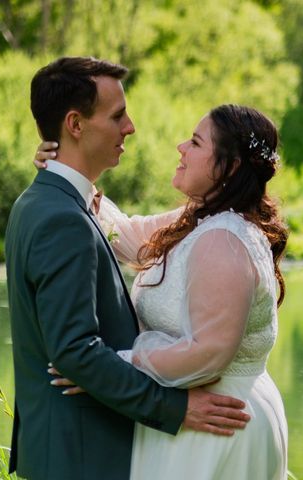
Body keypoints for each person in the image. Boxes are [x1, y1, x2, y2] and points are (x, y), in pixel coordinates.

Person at [5, 57, 250, 480]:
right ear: (75, 125)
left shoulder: (42, 201)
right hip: (79, 455)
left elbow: (126, 235)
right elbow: (75, 351)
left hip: (74, 449)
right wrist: (177, 408)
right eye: (117, 116)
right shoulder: (62, 218)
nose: (131, 127)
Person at [36, 103, 289, 479]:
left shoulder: (223, 240)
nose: (181, 147)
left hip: (216, 422)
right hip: (200, 415)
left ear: (230, 166)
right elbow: (126, 234)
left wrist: (109, 367)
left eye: (196, 142)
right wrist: (69, 173)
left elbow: (209, 353)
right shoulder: (205, 220)